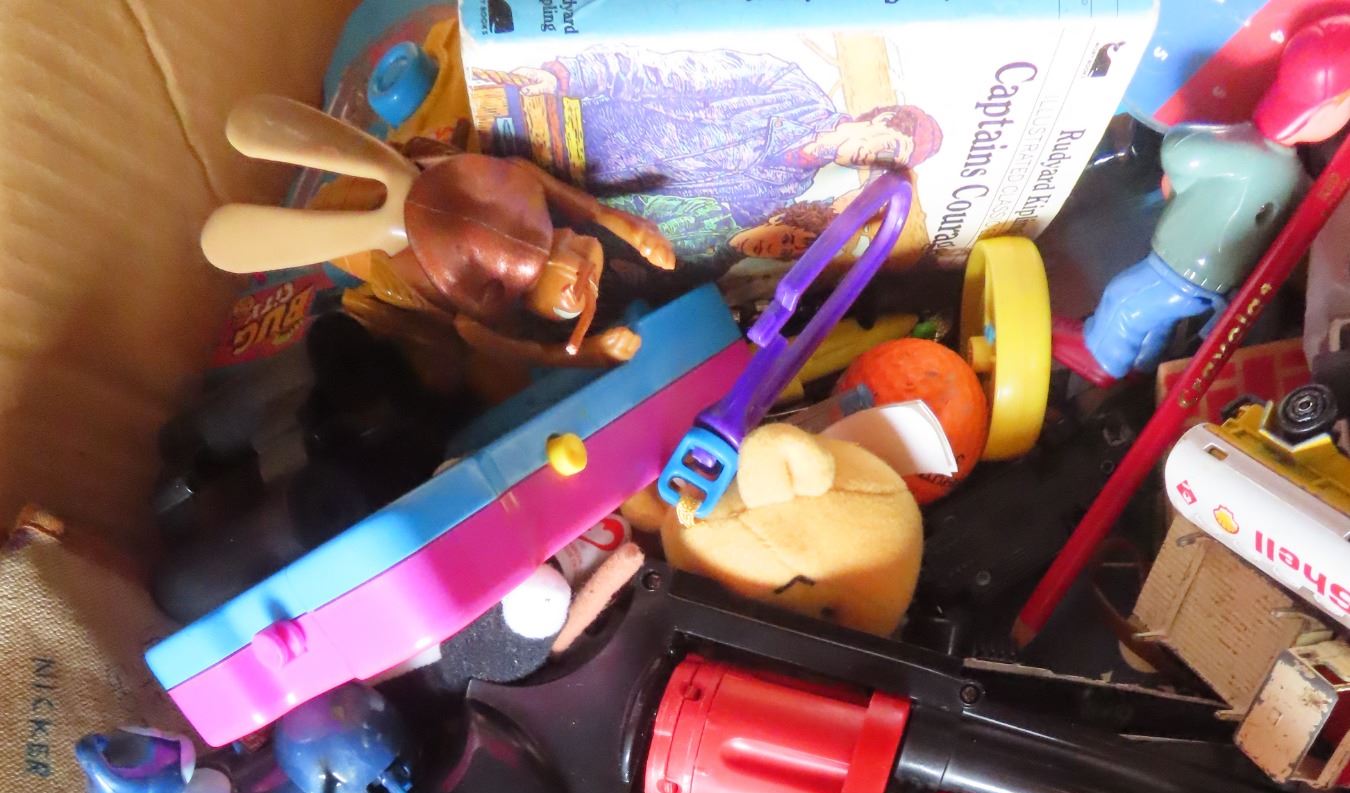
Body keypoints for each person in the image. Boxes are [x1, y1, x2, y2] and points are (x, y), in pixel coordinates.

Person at [1055, 14, 1350, 385]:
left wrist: (1182, 183)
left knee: (1125, 301)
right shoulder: (1290, 169)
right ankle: (1142, 362)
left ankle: (1101, 357)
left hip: (1180, 267)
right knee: (1158, 318)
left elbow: (1180, 149)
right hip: (1214, 275)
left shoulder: (1249, 153)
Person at [479, 46, 941, 266]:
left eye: (886, 161)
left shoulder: (786, 192)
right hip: (571, 122)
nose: (873, 158)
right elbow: (668, 72)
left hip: (571, 198)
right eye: (887, 147)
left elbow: (708, 238)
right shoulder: (786, 85)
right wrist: (568, 75)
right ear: (880, 118)